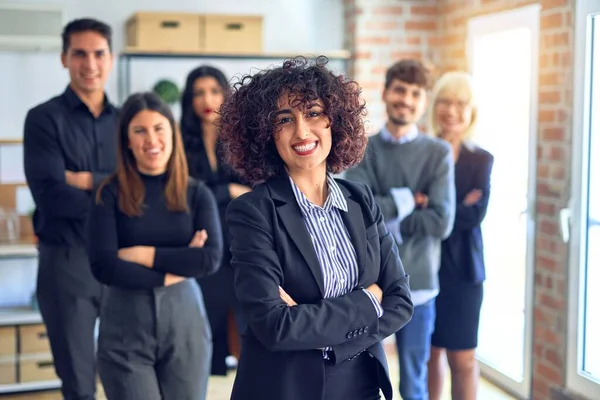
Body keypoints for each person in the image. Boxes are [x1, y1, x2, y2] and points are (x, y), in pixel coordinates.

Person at [218, 56, 414, 400]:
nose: (301, 131)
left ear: (334, 122)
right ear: (266, 135)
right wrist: (368, 301)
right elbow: (275, 326)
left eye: (312, 113)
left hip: (362, 383)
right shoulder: (252, 212)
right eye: (284, 119)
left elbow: (400, 301)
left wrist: (316, 327)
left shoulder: (360, 199)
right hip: (286, 388)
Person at [86, 92, 222, 400]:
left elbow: (209, 259)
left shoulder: (196, 193)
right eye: (140, 130)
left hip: (185, 322)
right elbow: (104, 266)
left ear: (172, 134)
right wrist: (177, 265)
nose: (151, 139)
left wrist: (141, 254)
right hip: (125, 326)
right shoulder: (108, 194)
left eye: (159, 128)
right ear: (127, 141)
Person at [345, 59, 455, 400]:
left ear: (423, 103)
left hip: (418, 284)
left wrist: (385, 210)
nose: (405, 99)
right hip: (370, 283)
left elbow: (441, 222)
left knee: (413, 379)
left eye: (415, 93)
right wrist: (410, 199)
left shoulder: (438, 153)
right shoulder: (364, 148)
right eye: (400, 90)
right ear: (386, 92)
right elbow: (360, 214)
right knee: (364, 376)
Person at [23, 18, 118, 400]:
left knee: (126, 370)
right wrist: (111, 186)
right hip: (67, 261)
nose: (90, 64)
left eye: (98, 53)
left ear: (111, 59)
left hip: (120, 259)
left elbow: (143, 189)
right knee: (79, 382)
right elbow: (51, 196)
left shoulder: (130, 121)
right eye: (80, 53)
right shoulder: (43, 119)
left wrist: (81, 178)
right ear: (64, 59)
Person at [426, 72, 494, 400]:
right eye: (444, 102)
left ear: (472, 112)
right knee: (430, 353)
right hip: (425, 264)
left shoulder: (481, 159)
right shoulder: (423, 152)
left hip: (465, 270)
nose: (451, 110)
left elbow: (474, 215)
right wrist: (448, 205)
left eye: (460, 103)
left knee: (463, 357)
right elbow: (415, 211)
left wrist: (432, 203)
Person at [180, 65, 251, 375]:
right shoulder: (180, 141)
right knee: (207, 330)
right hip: (204, 243)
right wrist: (230, 189)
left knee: (252, 331)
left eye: (214, 91)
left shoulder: (242, 138)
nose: (207, 99)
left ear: (226, 94)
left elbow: (256, 190)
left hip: (243, 244)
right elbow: (183, 193)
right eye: (198, 93)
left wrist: (224, 191)